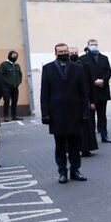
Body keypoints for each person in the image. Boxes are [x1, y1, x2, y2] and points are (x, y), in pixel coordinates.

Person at [40, 43, 89, 184]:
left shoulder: (78, 68)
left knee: (75, 144)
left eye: (65, 51)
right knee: (60, 144)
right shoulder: (48, 68)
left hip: (74, 112)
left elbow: (83, 92)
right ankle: (62, 171)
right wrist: (45, 114)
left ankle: (75, 170)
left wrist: (85, 112)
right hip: (56, 113)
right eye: (60, 51)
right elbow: (45, 93)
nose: (64, 53)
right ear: (55, 53)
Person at [79, 38, 111, 143]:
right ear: (88, 46)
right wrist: (93, 81)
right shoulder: (83, 59)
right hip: (90, 91)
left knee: (102, 115)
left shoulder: (104, 58)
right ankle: (91, 137)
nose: (94, 46)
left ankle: (104, 135)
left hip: (102, 89)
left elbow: (109, 71)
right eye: (92, 44)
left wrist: (103, 79)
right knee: (91, 115)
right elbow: (82, 73)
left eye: (96, 44)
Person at [68, 46, 99, 157]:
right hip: (71, 103)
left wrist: (92, 101)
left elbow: (91, 85)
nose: (73, 54)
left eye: (75, 52)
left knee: (87, 127)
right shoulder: (66, 68)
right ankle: (73, 149)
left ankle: (87, 148)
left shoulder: (85, 66)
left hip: (85, 101)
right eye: (71, 53)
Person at [0, 50, 22, 121]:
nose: (14, 57)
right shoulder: (4, 64)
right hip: (6, 88)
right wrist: (6, 83)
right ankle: (6, 116)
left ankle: (14, 116)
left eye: (16, 56)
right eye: (13, 56)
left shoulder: (17, 65)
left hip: (15, 87)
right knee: (7, 101)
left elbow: (20, 75)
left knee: (14, 101)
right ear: (9, 56)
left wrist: (19, 82)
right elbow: (0, 75)